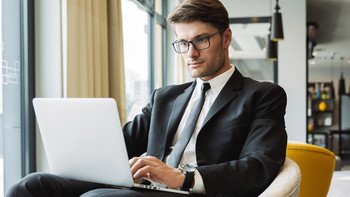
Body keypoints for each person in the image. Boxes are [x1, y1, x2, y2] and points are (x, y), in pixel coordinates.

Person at [7, 0, 287, 196]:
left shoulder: (262, 95)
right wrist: (79, 149)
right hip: (144, 188)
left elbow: (259, 166)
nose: (191, 53)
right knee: (30, 186)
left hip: (196, 192)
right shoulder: (165, 97)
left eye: (201, 40)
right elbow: (120, 145)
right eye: (183, 43)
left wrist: (183, 178)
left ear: (226, 38)